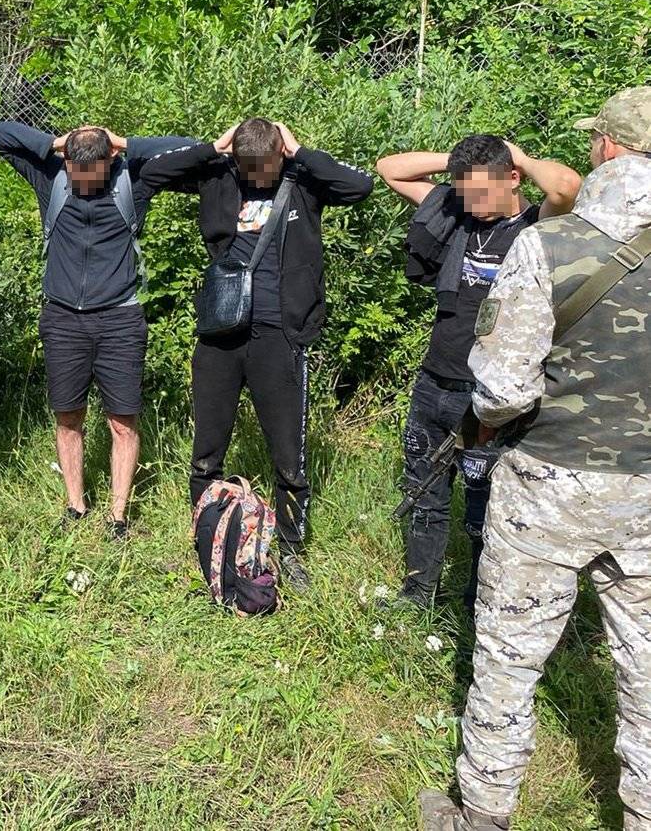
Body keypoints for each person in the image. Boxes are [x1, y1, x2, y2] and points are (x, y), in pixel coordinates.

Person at [420, 88, 651, 831]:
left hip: (546, 487)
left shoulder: (546, 244)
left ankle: (483, 814)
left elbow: (499, 390)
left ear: (609, 149)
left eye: (593, 141)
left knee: (507, 658)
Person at [142, 117, 373, 590]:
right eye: (249, 167)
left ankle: (290, 550)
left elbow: (360, 185)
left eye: (265, 166)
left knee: (289, 454)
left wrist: (300, 151)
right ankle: (208, 542)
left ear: (280, 154)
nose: (257, 176)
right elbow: (154, 172)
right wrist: (213, 146)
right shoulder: (219, 174)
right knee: (208, 450)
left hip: (281, 336)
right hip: (220, 335)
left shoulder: (301, 179)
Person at [376, 136, 580, 610]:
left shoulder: (537, 225)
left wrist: (521, 157)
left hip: (494, 395)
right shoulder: (456, 213)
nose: (475, 203)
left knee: (484, 505)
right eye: (466, 191)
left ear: (512, 179)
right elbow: (391, 168)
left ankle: (477, 604)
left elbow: (567, 185)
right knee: (424, 493)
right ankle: (417, 595)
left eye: (484, 191)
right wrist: (458, 166)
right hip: (435, 382)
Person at [0, 121, 195, 536]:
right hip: (63, 318)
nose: (82, 182)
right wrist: (54, 144)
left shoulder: (133, 179)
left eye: (92, 172)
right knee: (68, 417)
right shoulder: (53, 177)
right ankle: (75, 505)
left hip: (120, 318)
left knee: (123, 421)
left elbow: (192, 150)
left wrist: (127, 143)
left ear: (111, 160)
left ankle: (118, 515)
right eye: (75, 171)